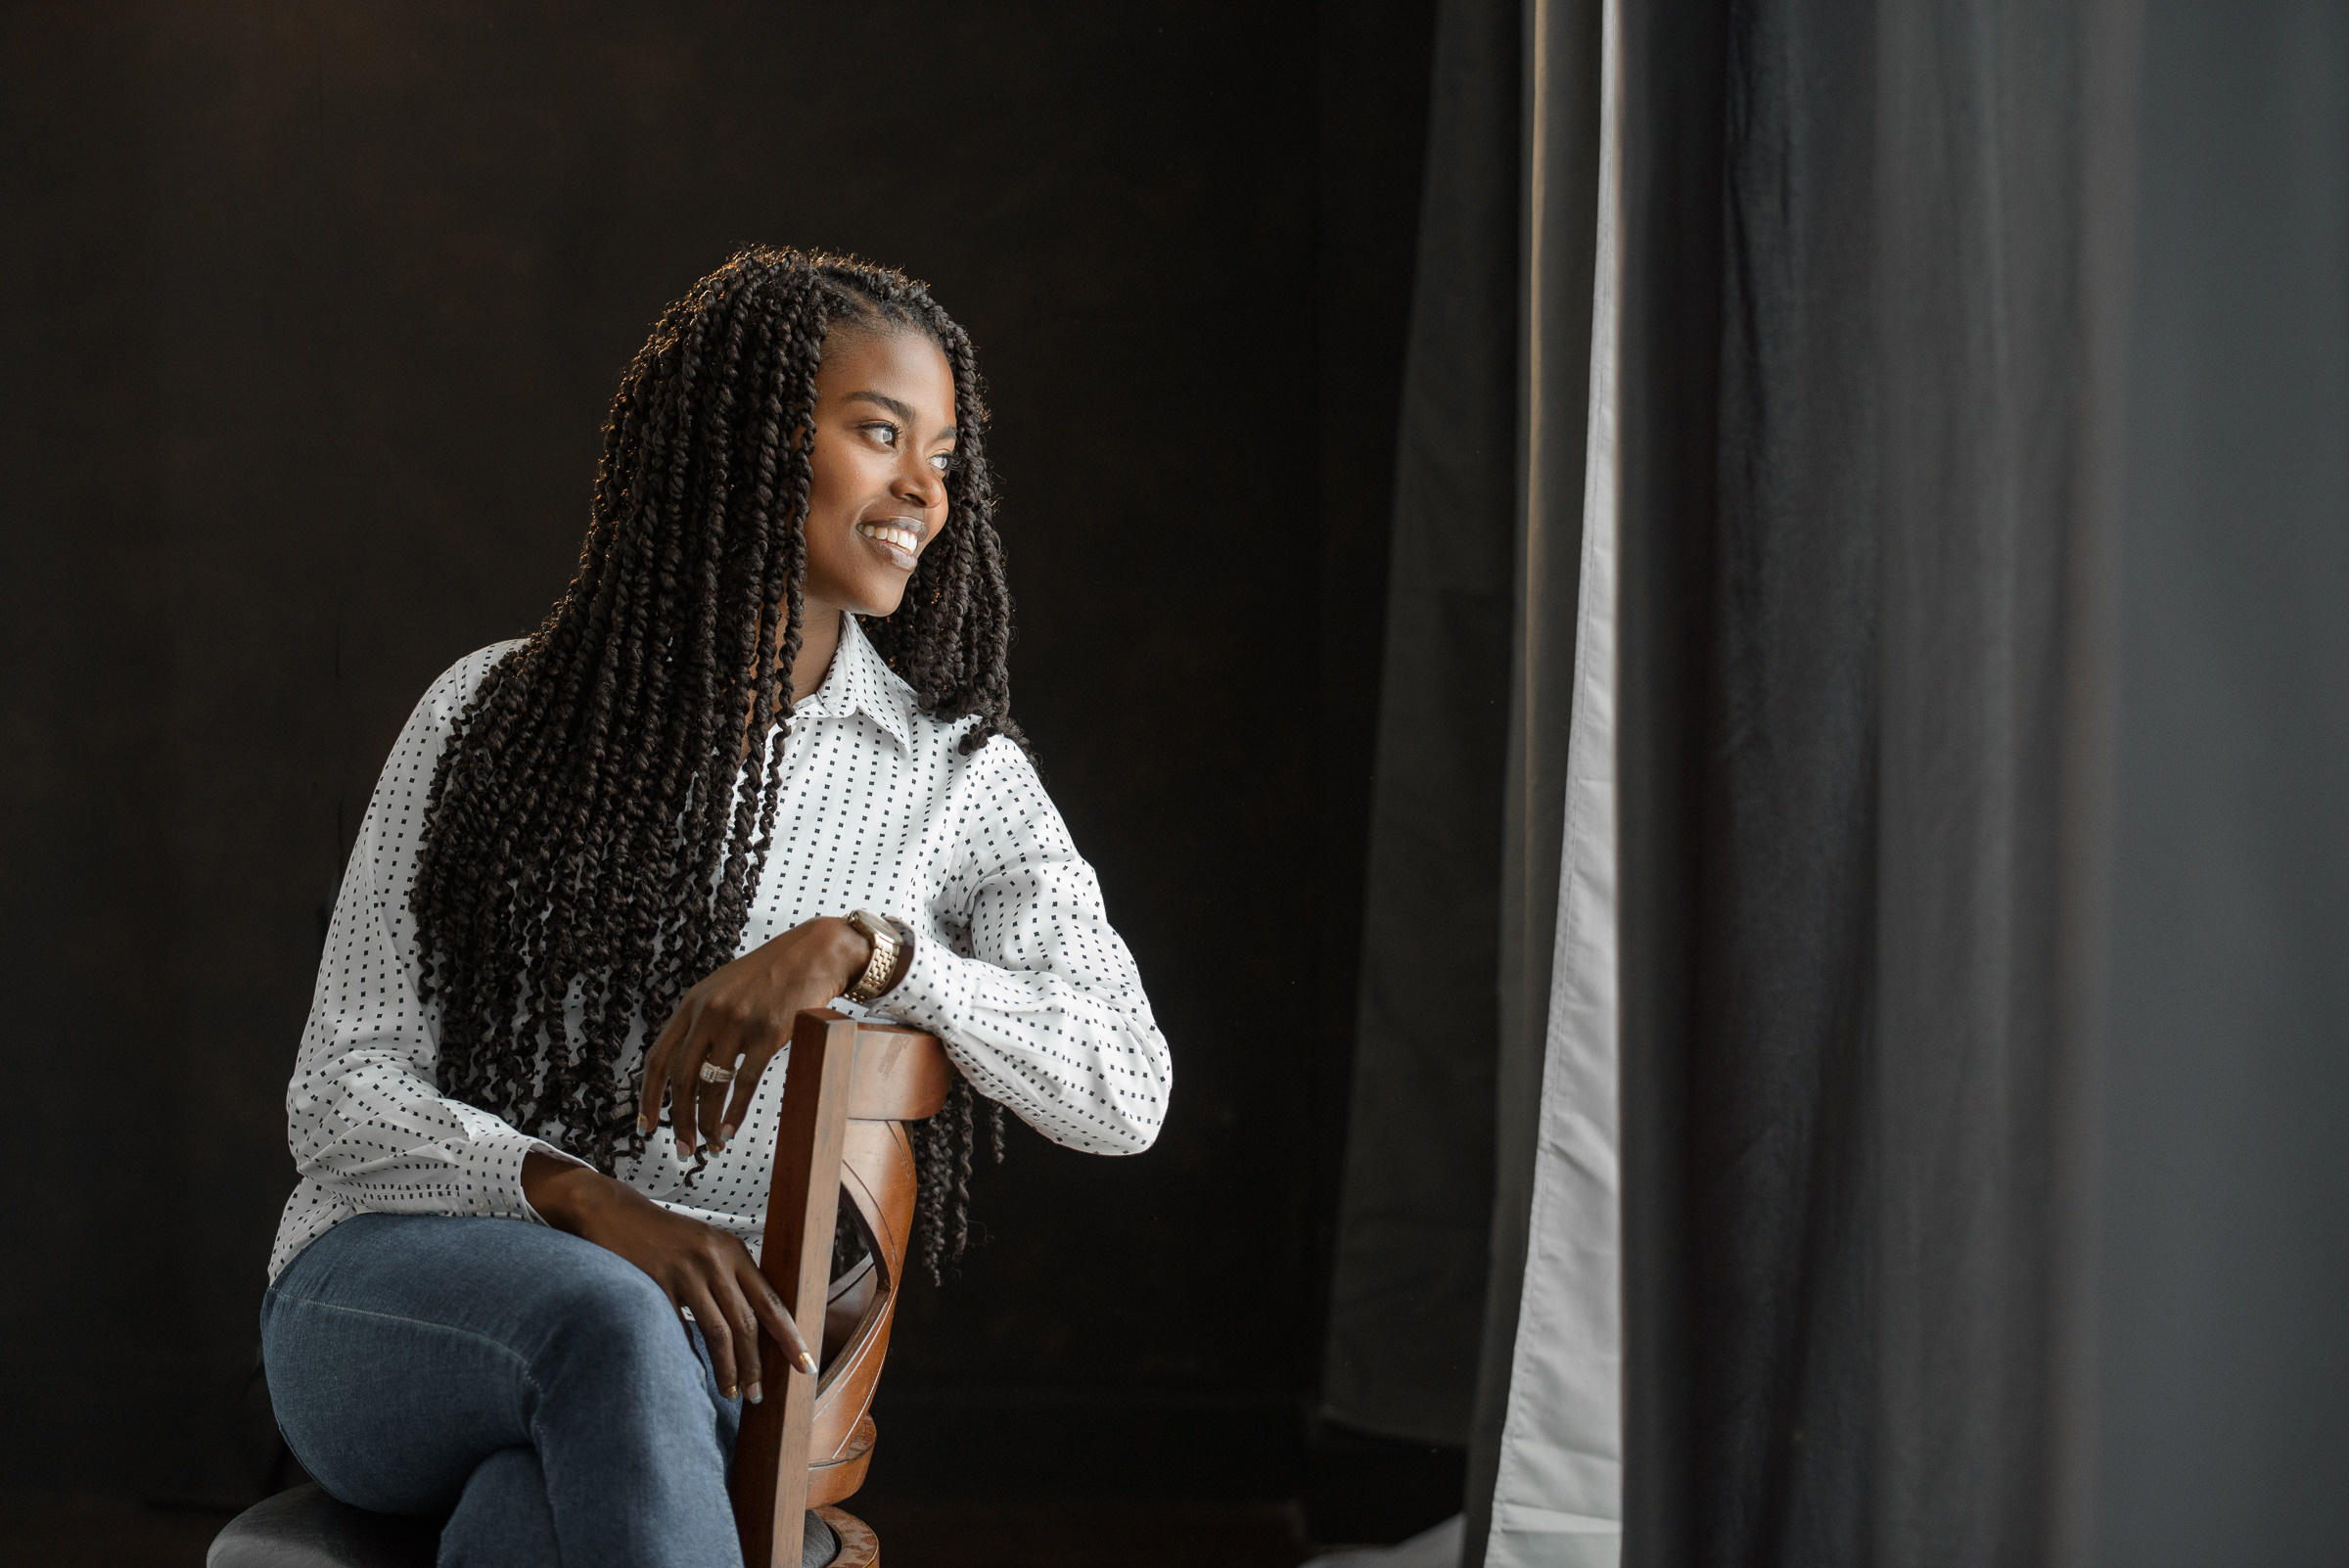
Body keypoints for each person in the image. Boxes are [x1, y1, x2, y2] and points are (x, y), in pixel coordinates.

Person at [258, 247, 1173, 1568]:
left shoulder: (953, 777)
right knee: (610, 1318)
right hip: (391, 1309)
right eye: (879, 434)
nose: (927, 490)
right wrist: (589, 1203)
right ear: (746, 437)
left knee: (531, 1519)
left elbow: (1127, 1086)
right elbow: (340, 1094)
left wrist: (871, 953)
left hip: (711, 1361)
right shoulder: (485, 716)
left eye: (943, 456)